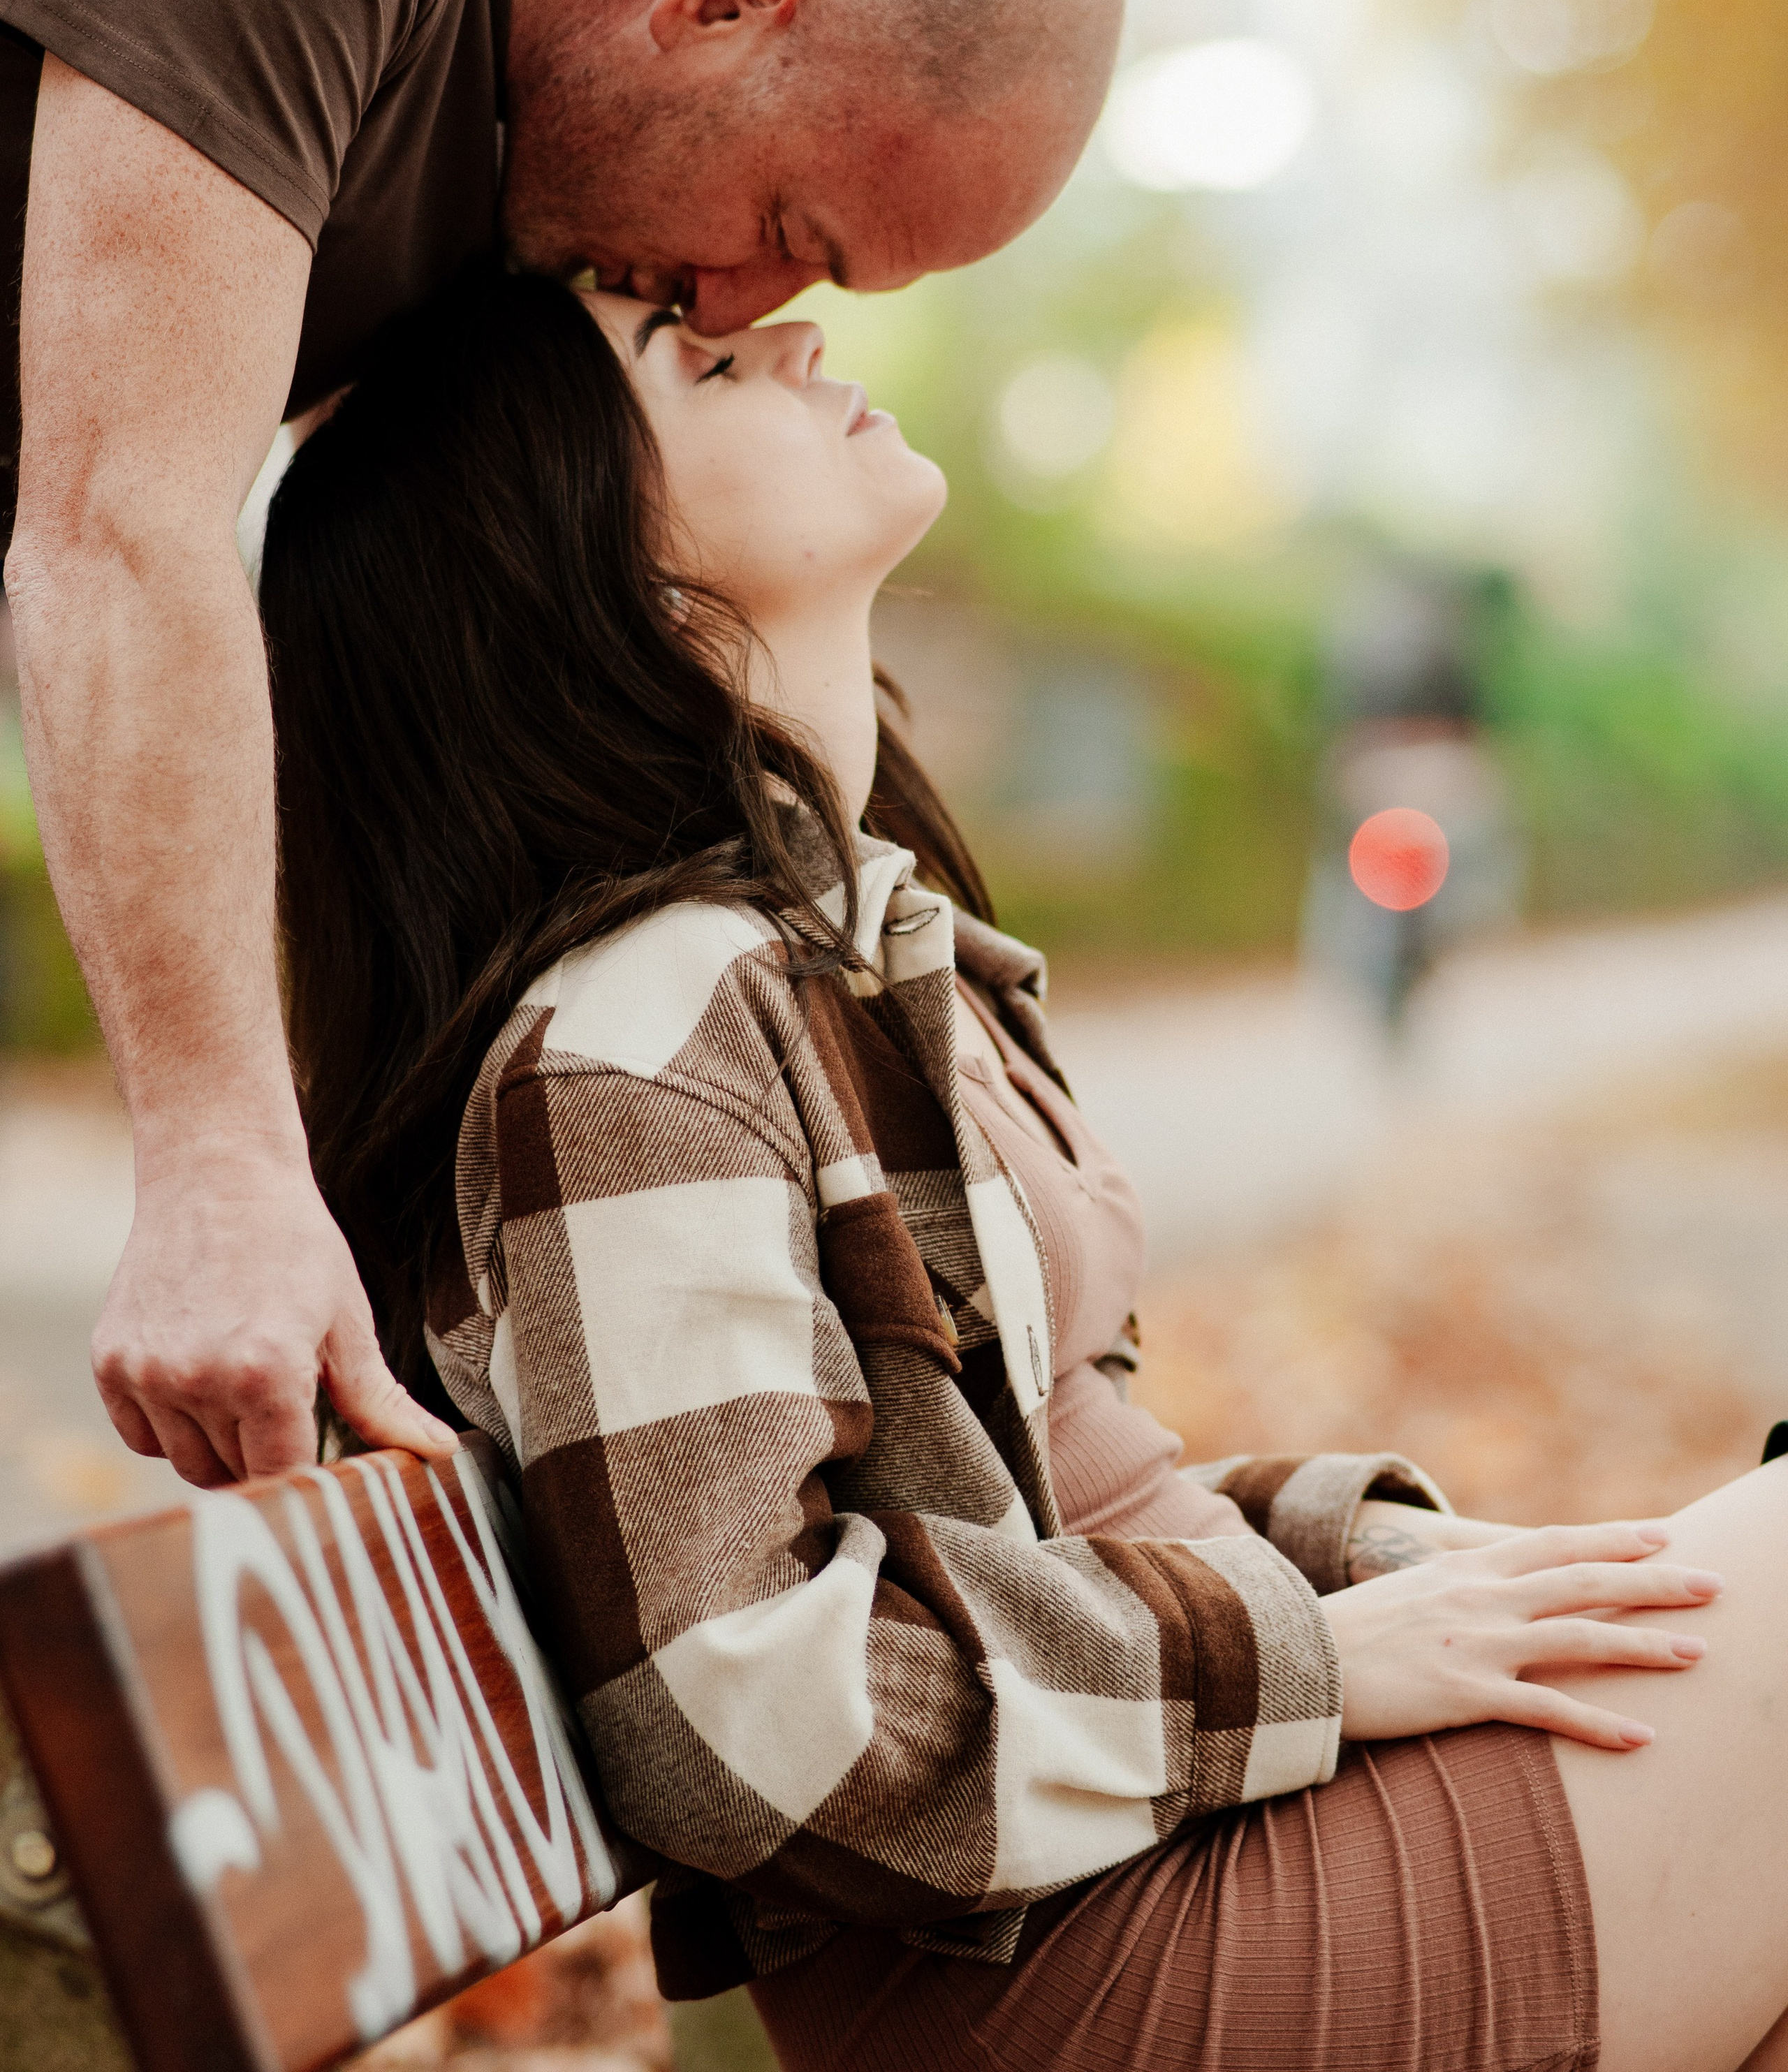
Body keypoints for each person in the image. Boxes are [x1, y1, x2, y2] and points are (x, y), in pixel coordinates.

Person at [258, 267, 1788, 2072]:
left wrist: (1397, 1566)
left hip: (1161, 1848)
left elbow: (1060, 1502)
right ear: (595, 567)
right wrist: (1316, 1659)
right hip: (1062, 1962)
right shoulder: (632, 1047)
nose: (808, 338)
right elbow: (739, 1711)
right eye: (714, 363)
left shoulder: (843, 953)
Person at [0, 0, 1122, 1490]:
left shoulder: (482, 172)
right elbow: (120, 527)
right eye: (792, 232)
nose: (737, 312)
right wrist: (215, 1166)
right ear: (726, 0)